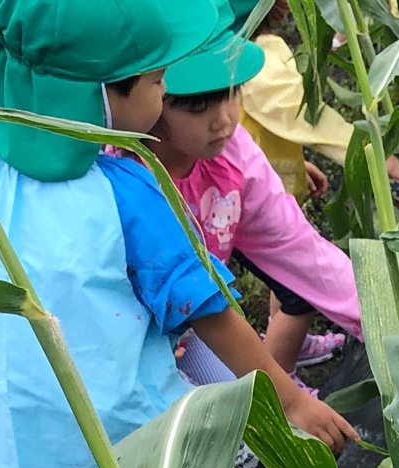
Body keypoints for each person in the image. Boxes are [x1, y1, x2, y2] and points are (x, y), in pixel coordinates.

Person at [0, 0, 355, 468]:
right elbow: (209, 312)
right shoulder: (125, 188)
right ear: (107, 96)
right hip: (138, 430)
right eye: (156, 80)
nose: (164, 93)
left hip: (44, 419)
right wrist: (289, 399)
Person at [150, 18, 361, 371]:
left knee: (244, 404)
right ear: (150, 93)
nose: (224, 120)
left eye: (232, 92)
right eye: (198, 106)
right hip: (130, 339)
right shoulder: (124, 177)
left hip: (192, 328)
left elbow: (297, 248)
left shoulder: (233, 157)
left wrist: (386, 316)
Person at [234, 0, 399, 203]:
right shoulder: (253, 62)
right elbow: (303, 116)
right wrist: (387, 162)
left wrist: (293, 166)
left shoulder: (258, 48)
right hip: (247, 204)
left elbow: (257, 121)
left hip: (250, 194)